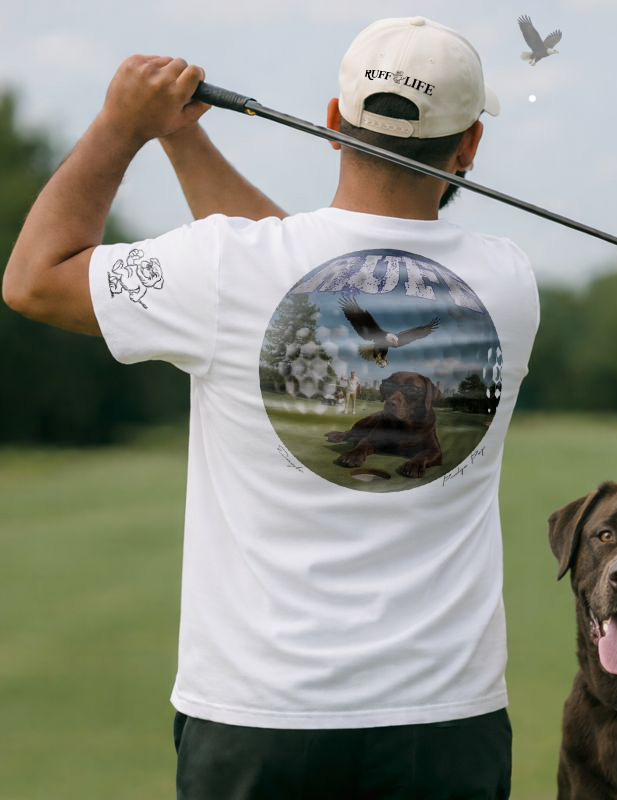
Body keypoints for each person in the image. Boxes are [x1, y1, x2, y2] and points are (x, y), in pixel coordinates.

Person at [2, 15, 539, 800]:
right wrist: (186, 140)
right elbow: (303, 267)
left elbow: (34, 278)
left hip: (258, 722)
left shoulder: (227, 268)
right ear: (471, 146)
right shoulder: (509, 282)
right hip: (446, 724)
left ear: (332, 122)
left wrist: (124, 125)